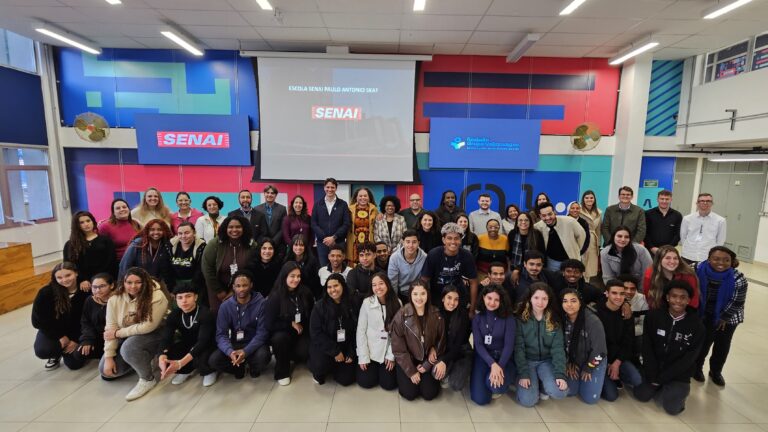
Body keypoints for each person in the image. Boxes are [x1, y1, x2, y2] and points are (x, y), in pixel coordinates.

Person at [634, 280, 704, 415]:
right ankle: (662, 387)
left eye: (683, 297)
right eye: (674, 296)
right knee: (641, 395)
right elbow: (647, 347)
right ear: (667, 297)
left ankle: (673, 390)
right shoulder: (653, 316)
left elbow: (689, 359)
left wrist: (662, 378)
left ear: (688, 300)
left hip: (678, 373)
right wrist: (653, 374)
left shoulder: (697, 325)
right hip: (654, 368)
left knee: (672, 409)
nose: (678, 301)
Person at [100, 267, 170, 401]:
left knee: (129, 348)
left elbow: (148, 326)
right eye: (129, 282)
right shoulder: (114, 299)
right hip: (126, 335)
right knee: (106, 371)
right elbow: (110, 329)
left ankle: (147, 379)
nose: (133, 286)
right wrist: (109, 356)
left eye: (138, 282)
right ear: (123, 282)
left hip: (157, 332)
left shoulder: (157, 296)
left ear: (145, 282)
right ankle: (140, 359)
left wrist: (118, 333)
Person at [693, 246, 747, 387]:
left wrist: (723, 318)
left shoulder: (738, 278)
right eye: (716, 259)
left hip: (728, 316)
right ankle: (697, 368)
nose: (721, 263)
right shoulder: (697, 268)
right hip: (704, 313)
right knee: (703, 342)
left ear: (732, 262)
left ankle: (716, 371)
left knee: (722, 345)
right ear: (709, 259)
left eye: (726, 260)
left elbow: (738, 301)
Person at [209, 270, 271, 379]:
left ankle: (253, 367)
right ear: (233, 287)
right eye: (238, 286)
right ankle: (239, 367)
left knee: (264, 357)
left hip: (254, 343)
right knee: (214, 360)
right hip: (235, 343)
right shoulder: (225, 306)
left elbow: (262, 334)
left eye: (244, 285)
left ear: (251, 285)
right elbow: (221, 334)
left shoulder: (262, 303)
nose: (241, 289)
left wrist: (245, 352)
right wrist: (230, 352)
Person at [514, 282, 568, 407]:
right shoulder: (520, 319)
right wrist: (523, 374)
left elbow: (558, 349)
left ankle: (542, 383)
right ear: (530, 298)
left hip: (546, 361)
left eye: (544, 298)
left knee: (560, 392)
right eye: (536, 298)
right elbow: (518, 348)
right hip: (527, 361)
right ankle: (523, 382)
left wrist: (560, 374)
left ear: (549, 300)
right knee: (528, 401)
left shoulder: (554, 319)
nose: (540, 302)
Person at [390, 281, 446, 401]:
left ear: (428, 294)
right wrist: (411, 371)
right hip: (407, 358)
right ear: (410, 295)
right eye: (415, 294)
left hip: (427, 358)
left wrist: (429, 362)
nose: (419, 298)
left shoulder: (436, 314)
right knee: (409, 394)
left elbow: (441, 340)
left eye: (422, 293)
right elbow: (398, 348)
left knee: (429, 394)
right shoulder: (401, 315)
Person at [31, 262, 89, 370]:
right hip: (55, 331)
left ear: (76, 273)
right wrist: (60, 336)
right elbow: (37, 321)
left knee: (74, 364)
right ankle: (55, 353)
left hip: (77, 331)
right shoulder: (46, 293)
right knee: (44, 350)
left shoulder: (85, 290)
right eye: (59, 277)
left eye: (68, 275)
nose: (64, 280)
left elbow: (88, 319)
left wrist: (76, 340)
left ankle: (64, 350)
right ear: (55, 278)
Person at [157, 284, 218, 387]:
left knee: (202, 356)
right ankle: (186, 370)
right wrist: (161, 357)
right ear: (175, 299)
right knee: (170, 352)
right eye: (180, 298)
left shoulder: (205, 313)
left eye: (188, 296)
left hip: (208, 344)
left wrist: (181, 362)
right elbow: (166, 338)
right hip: (189, 342)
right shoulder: (174, 315)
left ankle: (209, 371)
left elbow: (203, 341)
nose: (184, 301)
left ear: (195, 297)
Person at [266, 262, 314, 386]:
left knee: (305, 352)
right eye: (292, 276)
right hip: (283, 332)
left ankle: (293, 355)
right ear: (284, 276)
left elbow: (311, 315)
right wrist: (290, 323)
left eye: (298, 276)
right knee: (279, 339)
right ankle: (282, 372)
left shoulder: (305, 292)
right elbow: (269, 324)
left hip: (301, 331)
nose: (296, 279)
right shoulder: (275, 296)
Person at [595, 279, 642, 401]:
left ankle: (616, 375)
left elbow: (628, 342)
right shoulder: (596, 312)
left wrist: (617, 363)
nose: (618, 297)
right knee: (611, 396)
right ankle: (606, 377)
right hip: (599, 358)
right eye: (614, 293)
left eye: (622, 294)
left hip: (618, 357)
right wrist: (606, 363)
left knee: (637, 380)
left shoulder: (627, 314)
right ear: (607, 293)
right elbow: (594, 344)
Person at [470, 284, 516, 405]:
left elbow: (509, 345)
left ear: (501, 301)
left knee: (496, 386)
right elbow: (478, 344)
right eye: (489, 298)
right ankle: (488, 378)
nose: (492, 303)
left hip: (503, 357)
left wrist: (499, 366)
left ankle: (506, 379)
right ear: (483, 298)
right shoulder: (477, 318)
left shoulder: (509, 318)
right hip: (484, 356)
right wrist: (492, 364)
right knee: (480, 399)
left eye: (496, 300)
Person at [201, 215, 257, 312]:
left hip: (242, 288)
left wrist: (234, 290)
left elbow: (253, 268)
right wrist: (219, 291)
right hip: (216, 289)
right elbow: (207, 269)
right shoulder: (214, 244)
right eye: (230, 227)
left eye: (238, 227)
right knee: (219, 315)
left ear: (244, 228)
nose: (234, 230)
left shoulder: (251, 245)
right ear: (225, 228)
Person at [309, 274, 358, 386]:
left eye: (336, 286)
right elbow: (316, 333)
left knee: (346, 380)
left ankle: (336, 367)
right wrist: (335, 351)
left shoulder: (352, 303)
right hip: (325, 346)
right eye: (329, 287)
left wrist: (352, 351)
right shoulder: (319, 306)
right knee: (320, 367)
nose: (333, 290)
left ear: (343, 286)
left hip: (345, 345)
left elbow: (357, 330)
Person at [560, 288, 607, 405]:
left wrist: (589, 367)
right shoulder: (561, 319)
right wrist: (568, 362)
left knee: (590, 399)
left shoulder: (593, 321)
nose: (569, 304)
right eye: (565, 301)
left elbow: (601, 352)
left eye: (573, 301)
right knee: (569, 391)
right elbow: (560, 345)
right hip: (574, 360)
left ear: (580, 303)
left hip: (593, 360)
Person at [420, 222, 479, 314]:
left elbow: (473, 282)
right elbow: (424, 280)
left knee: (459, 321)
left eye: (456, 238)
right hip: (437, 295)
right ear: (443, 240)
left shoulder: (467, 255)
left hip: (458, 295)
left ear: (461, 240)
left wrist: (472, 309)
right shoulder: (434, 254)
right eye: (449, 238)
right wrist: (425, 305)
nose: (453, 242)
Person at [356, 272, 401, 390]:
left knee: (389, 385)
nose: (378, 288)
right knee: (366, 382)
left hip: (387, 350)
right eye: (374, 285)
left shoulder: (397, 302)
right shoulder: (367, 302)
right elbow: (361, 331)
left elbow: (398, 334)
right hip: (371, 351)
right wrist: (363, 356)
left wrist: (391, 356)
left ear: (387, 284)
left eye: (381, 283)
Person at [64, 210, 117, 290]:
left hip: (104, 279)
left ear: (93, 222)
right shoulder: (70, 244)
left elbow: (111, 262)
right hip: (82, 283)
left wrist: (99, 279)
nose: (86, 224)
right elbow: (69, 265)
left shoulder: (106, 240)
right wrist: (82, 280)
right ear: (76, 225)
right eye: (81, 222)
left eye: (88, 221)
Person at [119, 218, 175, 289]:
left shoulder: (166, 245)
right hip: (138, 284)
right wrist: (122, 286)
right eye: (152, 230)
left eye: (160, 229)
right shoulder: (138, 244)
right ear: (147, 231)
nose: (156, 232)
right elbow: (124, 266)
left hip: (157, 285)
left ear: (164, 231)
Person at [436, 285, 472, 391]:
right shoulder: (436, 313)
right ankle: (451, 369)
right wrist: (442, 359)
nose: (452, 303)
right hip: (445, 349)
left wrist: (444, 361)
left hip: (462, 351)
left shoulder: (463, 315)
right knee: (435, 373)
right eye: (449, 298)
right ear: (443, 298)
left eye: (456, 299)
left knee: (456, 385)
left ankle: (462, 369)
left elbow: (458, 344)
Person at [643, 245, 699, 310]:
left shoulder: (688, 275)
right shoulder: (650, 274)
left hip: (684, 310)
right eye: (668, 258)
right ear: (659, 260)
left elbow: (693, 300)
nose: (672, 261)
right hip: (659, 309)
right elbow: (649, 298)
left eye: (675, 258)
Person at [534, 202, 586, 272]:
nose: (548, 218)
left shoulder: (570, 221)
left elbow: (581, 235)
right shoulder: (537, 227)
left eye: (550, 214)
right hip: (552, 262)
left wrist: (575, 250)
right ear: (540, 216)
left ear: (555, 212)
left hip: (571, 260)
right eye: (544, 215)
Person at [311, 178, 352, 267]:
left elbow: (346, 223)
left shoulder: (343, 204)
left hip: (338, 242)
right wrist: (325, 238)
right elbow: (314, 223)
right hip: (322, 243)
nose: (330, 189)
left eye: (332, 187)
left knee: (339, 268)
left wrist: (334, 237)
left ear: (336, 188)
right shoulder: (317, 204)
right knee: (324, 269)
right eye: (328, 187)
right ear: (324, 188)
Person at [78, 273, 115, 367]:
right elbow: (86, 322)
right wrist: (87, 339)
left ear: (111, 285)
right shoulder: (90, 300)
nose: (98, 290)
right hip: (98, 337)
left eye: (102, 286)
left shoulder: (117, 299)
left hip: (114, 338)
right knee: (78, 354)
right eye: (94, 287)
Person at [680, 193, 726, 265]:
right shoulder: (687, 219)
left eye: (708, 201)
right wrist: (688, 249)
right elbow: (683, 237)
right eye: (702, 201)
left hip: (707, 257)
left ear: (712, 203)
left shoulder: (720, 220)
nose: (705, 203)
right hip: (688, 255)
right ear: (697, 203)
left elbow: (720, 241)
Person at [388, 229, 428, 303]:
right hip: (401, 293)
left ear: (418, 243)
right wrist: (395, 300)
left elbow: (425, 280)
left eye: (414, 242)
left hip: (417, 293)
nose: (411, 245)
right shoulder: (394, 258)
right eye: (408, 242)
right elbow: (393, 282)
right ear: (403, 242)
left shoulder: (424, 257)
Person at [169, 222, 206, 297]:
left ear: (194, 233)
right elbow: (166, 269)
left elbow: (200, 271)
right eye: (180, 233)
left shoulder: (202, 247)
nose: (183, 236)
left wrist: (191, 289)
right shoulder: (170, 245)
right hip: (175, 285)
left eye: (187, 233)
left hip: (196, 285)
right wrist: (172, 288)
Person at [620, 274, 648, 365]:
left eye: (632, 289)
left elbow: (643, 325)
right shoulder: (614, 298)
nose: (629, 292)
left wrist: (627, 331)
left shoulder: (643, 300)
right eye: (625, 288)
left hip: (633, 333)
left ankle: (637, 359)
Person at [644, 190, 683, 255]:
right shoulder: (648, 214)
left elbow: (678, 234)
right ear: (657, 199)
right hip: (650, 250)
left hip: (669, 251)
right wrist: (651, 247)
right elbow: (645, 232)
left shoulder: (677, 215)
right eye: (662, 199)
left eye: (667, 199)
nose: (664, 201)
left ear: (671, 200)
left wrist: (668, 248)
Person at [347, 187, 378, 265]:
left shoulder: (374, 209)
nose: (363, 198)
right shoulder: (349, 209)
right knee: (353, 266)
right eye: (360, 196)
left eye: (365, 196)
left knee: (367, 263)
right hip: (354, 243)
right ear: (356, 197)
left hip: (368, 242)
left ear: (369, 197)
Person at [285, 234, 321, 299]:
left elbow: (316, 282)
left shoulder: (312, 261)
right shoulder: (287, 260)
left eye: (301, 245)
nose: (298, 248)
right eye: (296, 245)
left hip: (308, 293)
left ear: (305, 247)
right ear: (292, 246)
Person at [254, 184, 287, 249]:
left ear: (276, 195)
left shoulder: (282, 209)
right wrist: (264, 241)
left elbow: (283, 228)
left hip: (278, 244)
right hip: (262, 244)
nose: (269, 195)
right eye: (267, 192)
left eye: (272, 193)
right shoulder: (257, 209)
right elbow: (256, 228)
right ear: (264, 194)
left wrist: (273, 241)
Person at [580, 190, 602, 281]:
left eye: (591, 198)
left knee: (589, 267)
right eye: (587, 198)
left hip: (593, 240)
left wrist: (598, 244)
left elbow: (598, 230)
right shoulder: (578, 210)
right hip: (581, 239)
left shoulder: (599, 212)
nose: (589, 199)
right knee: (580, 263)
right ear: (583, 199)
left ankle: (586, 284)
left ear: (594, 199)